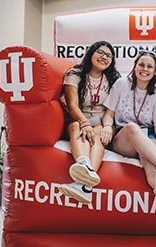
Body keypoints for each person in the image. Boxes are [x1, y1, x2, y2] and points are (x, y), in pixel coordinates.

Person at [101, 50, 156, 218]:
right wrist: (108, 127)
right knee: (132, 128)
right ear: (135, 66)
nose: (144, 69)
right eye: (141, 65)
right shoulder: (121, 84)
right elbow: (109, 113)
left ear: (154, 72)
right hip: (124, 136)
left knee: (149, 150)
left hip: (148, 135)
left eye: (150, 66)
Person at [58, 41, 121, 204]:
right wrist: (85, 123)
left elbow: (112, 109)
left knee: (99, 133)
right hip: (79, 117)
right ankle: (84, 166)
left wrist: (107, 125)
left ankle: (83, 184)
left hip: (102, 121)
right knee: (76, 127)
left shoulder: (114, 78)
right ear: (91, 53)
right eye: (100, 52)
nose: (104, 57)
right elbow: (72, 105)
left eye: (109, 55)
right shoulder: (75, 73)